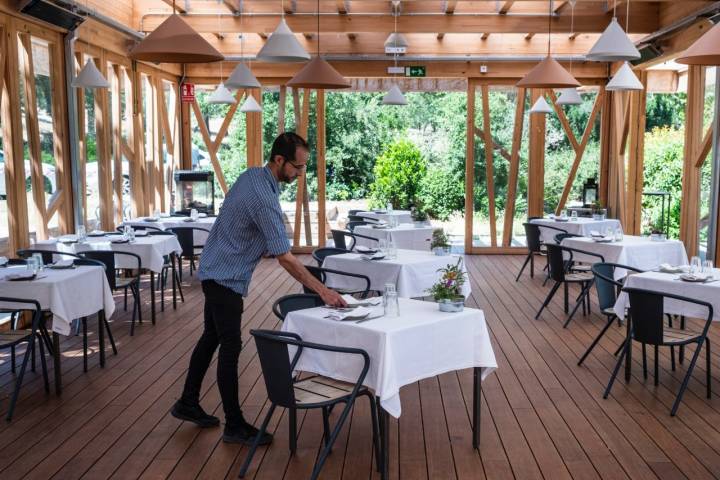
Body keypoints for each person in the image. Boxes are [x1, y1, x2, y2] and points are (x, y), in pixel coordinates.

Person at [171, 132, 346, 445]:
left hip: (215, 268)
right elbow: (286, 258)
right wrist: (323, 291)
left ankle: (188, 401)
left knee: (212, 337)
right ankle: (234, 425)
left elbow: (241, 222)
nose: (299, 174)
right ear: (279, 160)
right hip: (225, 276)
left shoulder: (253, 176)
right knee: (230, 346)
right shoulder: (264, 198)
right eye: (297, 167)